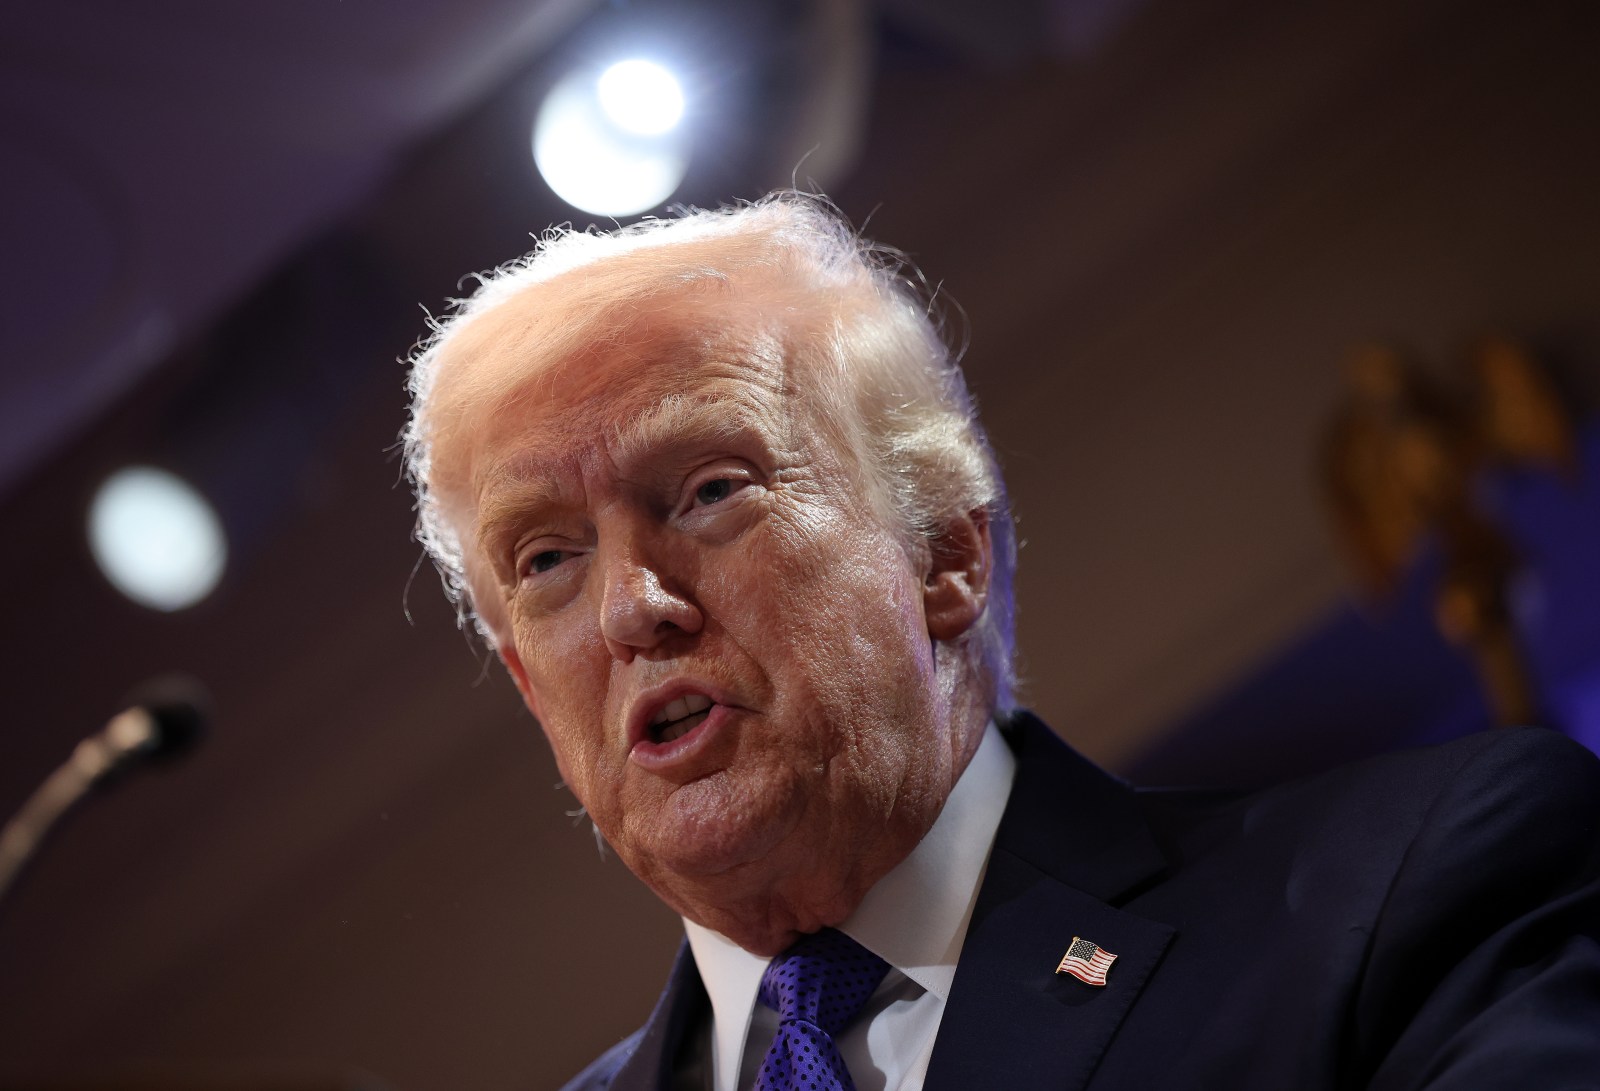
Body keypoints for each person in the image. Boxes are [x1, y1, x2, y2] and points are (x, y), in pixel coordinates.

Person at [403, 194, 1600, 1090]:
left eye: (711, 488)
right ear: (528, 684)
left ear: (945, 555)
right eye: (545, 559)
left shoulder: (1401, 895)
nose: (630, 606)